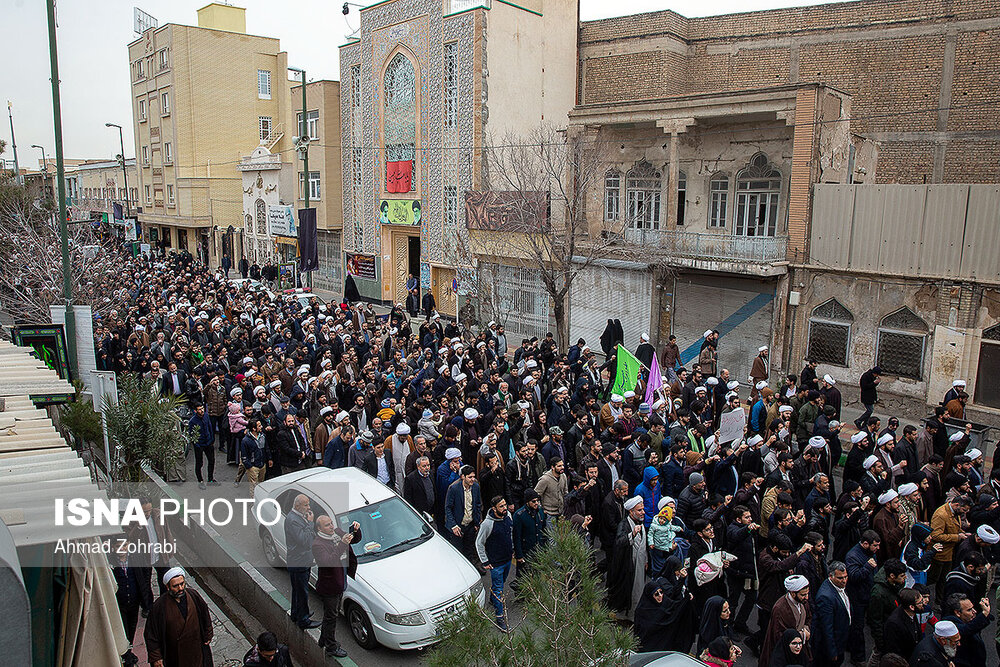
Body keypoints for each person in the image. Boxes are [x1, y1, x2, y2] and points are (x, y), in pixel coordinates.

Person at [312, 515, 361, 659]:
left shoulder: (337, 532)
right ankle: (331, 647)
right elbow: (328, 562)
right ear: (319, 528)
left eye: (331, 523)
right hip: (330, 586)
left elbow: (354, 539)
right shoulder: (318, 544)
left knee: (330, 615)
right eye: (327, 525)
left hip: (340, 579)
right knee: (332, 616)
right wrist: (342, 545)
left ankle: (323, 639)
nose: (331, 526)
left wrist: (355, 531)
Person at [144, 568, 214, 667]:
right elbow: (151, 634)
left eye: (182, 584)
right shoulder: (159, 606)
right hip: (174, 655)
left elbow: (204, 614)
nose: (180, 588)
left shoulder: (193, 595)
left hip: (196, 650)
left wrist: (208, 633)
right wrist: (156, 657)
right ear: (168, 587)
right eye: (175, 586)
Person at [632, 557, 695, 652]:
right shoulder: (642, 612)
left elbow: (675, 608)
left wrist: (686, 599)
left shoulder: (665, 602)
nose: (660, 596)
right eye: (656, 594)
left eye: (661, 592)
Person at [476, 495, 515, 631]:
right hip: (496, 563)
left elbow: (510, 533)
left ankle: (493, 599)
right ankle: (499, 617)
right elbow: (479, 543)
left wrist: (513, 548)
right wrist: (485, 561)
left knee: (501, 583)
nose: (505, 508)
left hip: (507, 559)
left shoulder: (508, 516)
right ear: (494, 508)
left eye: (505, 505)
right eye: (501, 506)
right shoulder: (487, 524)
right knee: (499, 589)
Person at [607, 496, 647, 621]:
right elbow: (619, 542)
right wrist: (632, 534)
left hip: (639, 563)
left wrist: (646, 560)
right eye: (639, 510)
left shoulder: (640, 522)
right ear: (631, 512)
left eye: (643, 509)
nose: (643, 512)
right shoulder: (623, 525)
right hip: (627, 565)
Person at [284, 495, 321, 629]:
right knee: (302, 592)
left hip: (301, 561)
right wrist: (310, 523)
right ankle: (303, 620)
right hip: (299, 562)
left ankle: (296, 613)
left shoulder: (297, 518)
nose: (309, 507)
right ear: (298, 506)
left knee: (298, 591)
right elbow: (304, 541)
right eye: (306, 505)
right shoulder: (293, 520)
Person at [760, 575, 811, 667]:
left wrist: (806, 629)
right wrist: (802, 635)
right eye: (803, 595)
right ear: (793, 593)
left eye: (807, 594)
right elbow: (779, 635)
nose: (806, 597)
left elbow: (808, 618)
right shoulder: (780, 608)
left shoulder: (803, 602)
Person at [813, 562, 851, 667]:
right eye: (840, 578)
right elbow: (827, 627)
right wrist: (832, 652)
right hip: (832, 646)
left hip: (841, 639)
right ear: (831, 576)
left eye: (846, 577)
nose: (844, 581)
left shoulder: (837, 586)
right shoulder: (825, 597)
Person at [445, 464, 482, 563]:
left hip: (470, 525)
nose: (472, 479)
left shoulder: (476, 487)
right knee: (457, 552)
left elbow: (478, 505)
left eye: (473, 477)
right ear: (462, 477)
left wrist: (476, 522)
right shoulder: (454, 488)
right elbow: (448, 508)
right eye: (470, 477)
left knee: (469, 549)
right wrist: (454, 526)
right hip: (458, 526)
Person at [882, 588, 924, 660]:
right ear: (911, 607)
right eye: (920, 602)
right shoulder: (894, 624)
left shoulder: (911, 613)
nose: (923, 603)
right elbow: (894, 651)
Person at [188, 402, 217, 489]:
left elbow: (210, 427)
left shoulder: (206, 416)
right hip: (200, 444)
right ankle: (200, 481)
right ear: (195, 411)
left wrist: (212, 439)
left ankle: (210, 479)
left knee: (211, 460)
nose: (202, 411)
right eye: (199, 409)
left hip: (208, 442)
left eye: (202, 408)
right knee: (199, 463)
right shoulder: (193, 421)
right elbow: (191, 434)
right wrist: (196, 444)